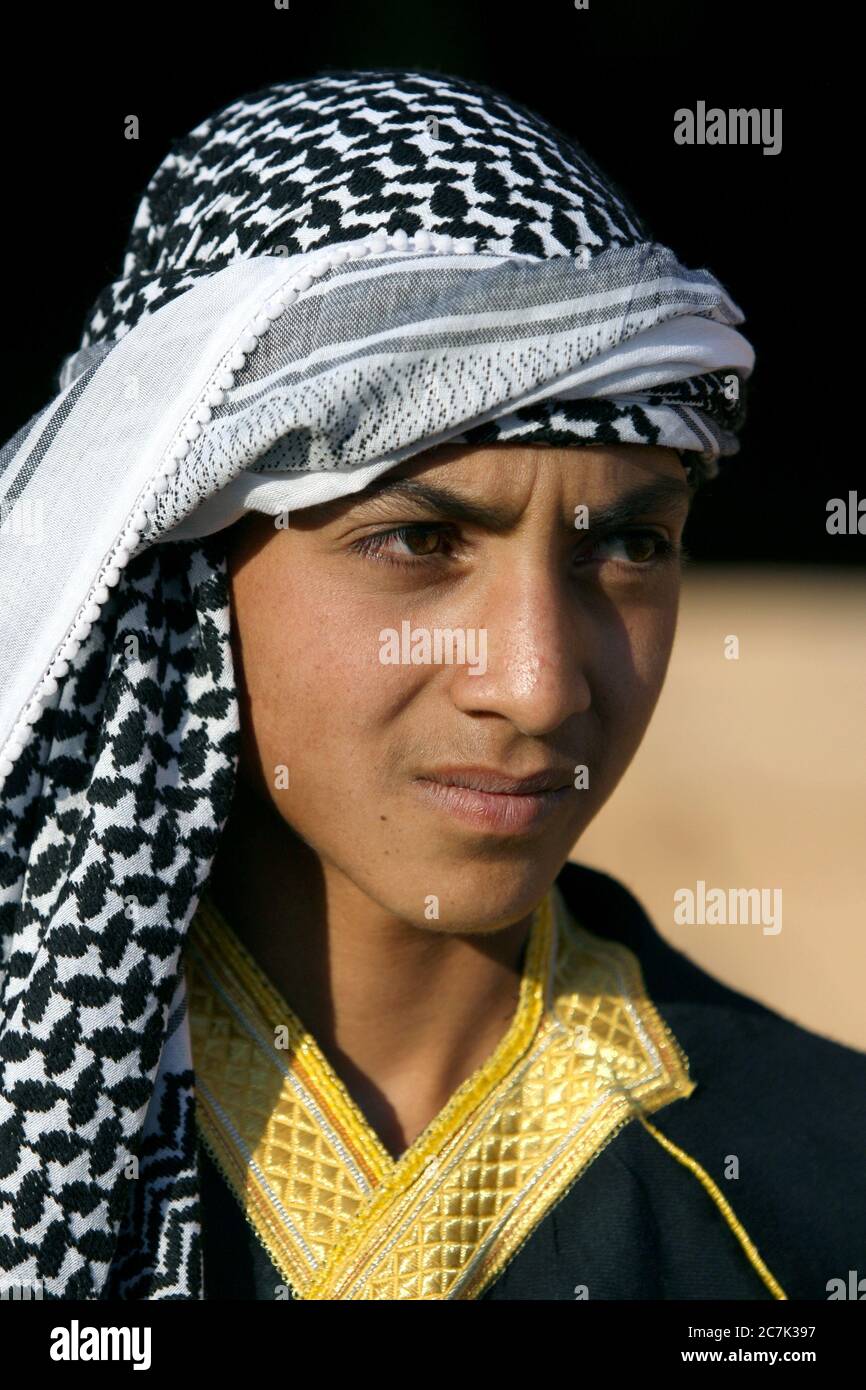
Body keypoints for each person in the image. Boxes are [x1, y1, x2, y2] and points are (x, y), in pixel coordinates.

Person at [0, 68, 862, 1303]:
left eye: (626, 547)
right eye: (417, 543)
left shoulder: (818, 1194)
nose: (537, 686)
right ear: (183, 571)